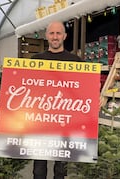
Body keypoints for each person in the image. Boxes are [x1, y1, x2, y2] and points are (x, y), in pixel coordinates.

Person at [31, 21, 83, 179]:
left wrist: (96, 99)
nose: (55, 37)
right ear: (47, 36)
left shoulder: (76, 62)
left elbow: (83, 91)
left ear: (64, 36)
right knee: (38, 170)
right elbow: (26, 87)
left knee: (61, 170)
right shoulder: (36, 60)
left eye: (58, 33)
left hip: (65, 123)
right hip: (41, 121)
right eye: (52, 33)